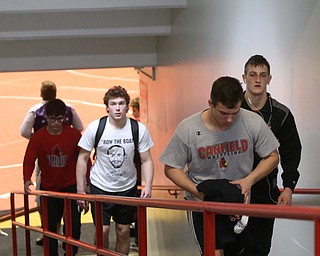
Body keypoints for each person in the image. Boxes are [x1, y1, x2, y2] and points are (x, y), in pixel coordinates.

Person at [159, 76, 280, 256]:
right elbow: (171, 167)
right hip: (202, 204)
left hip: (238, 204)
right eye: (224, 113)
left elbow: (272, 156)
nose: (230, 119)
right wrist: (197, 191)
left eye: (235, 112)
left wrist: (249, 180)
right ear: (211, 103)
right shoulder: (189, 128)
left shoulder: (251, 121)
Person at [76, 85, 154, 255]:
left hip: (127, 189)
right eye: (113, 104)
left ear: (127, 106)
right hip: (100, 188)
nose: (117, 108)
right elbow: (82, 158)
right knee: (102, 231)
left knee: (123, 231)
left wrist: (147, 185)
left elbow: (147, 160)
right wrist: (81, 190)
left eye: (121, 103)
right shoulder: (96, 128)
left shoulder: (138, 129)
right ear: (107, 107)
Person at [241, 54, 302, 255]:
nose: (258, 79)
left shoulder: (281, 114)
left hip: (264, 193)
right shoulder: (231, 109)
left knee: (259, 249)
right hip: (233, 192)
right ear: (244, 78)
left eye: (263, 75)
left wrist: (288, 187)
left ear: (269, 79)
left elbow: (291, 151)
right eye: (253, 75)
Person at [20, 80, 84, 246]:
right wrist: (26, 179)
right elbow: (28, 159)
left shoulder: (74, 136)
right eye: (52, 119)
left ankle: (70, 250)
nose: (56, 123)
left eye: (59, 119)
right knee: (50, 228)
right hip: (49, 187)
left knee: (74, 227)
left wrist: (86, 184)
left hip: (70, 185)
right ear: (46, 118)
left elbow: (84, 159)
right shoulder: (38, 138)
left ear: (64, 118)